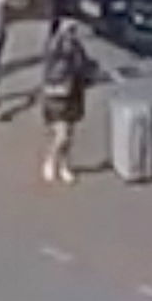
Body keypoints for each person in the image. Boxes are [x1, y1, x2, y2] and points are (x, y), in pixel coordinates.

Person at [39, 20, 97, 183]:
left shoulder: (76, 47)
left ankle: (65, 165)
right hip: (57, 95)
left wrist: (91, 72)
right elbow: (53, 63)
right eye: (69, 29)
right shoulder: (54, 47)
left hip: (73, 94)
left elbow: (85, 66)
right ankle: (50, 159)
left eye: (74, 30)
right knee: (62, 135)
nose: (72, 33)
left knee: (69, 135)